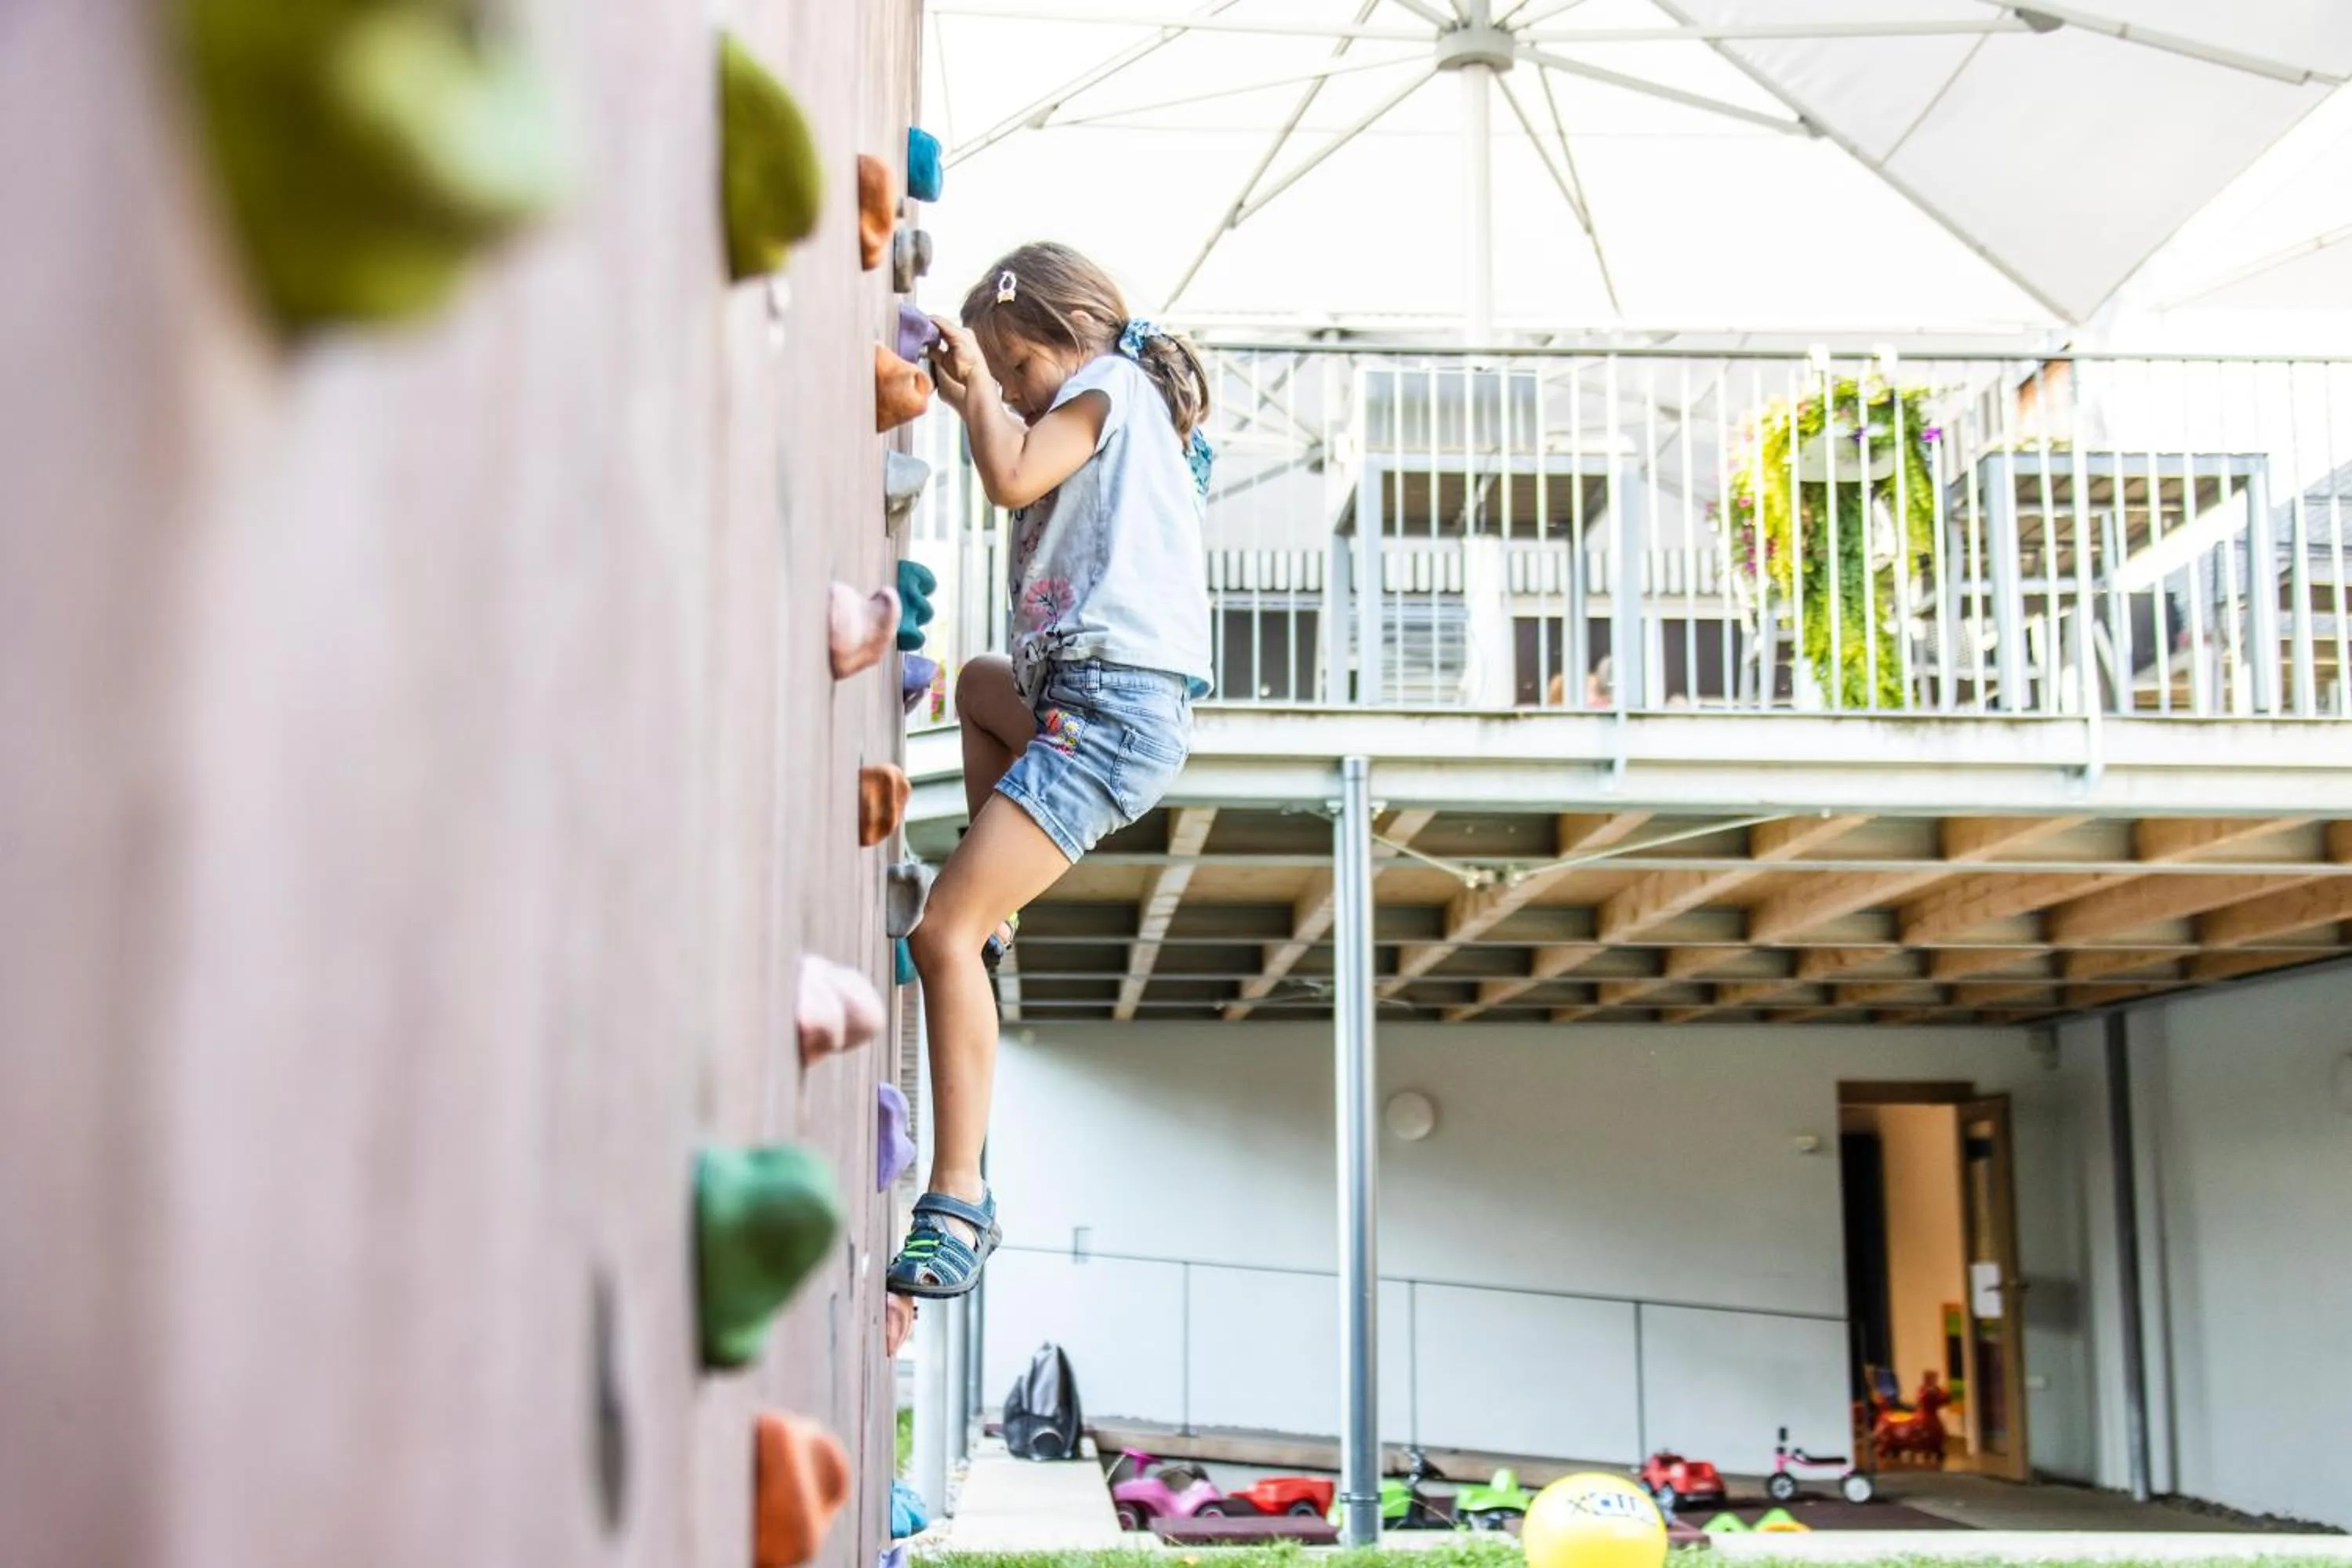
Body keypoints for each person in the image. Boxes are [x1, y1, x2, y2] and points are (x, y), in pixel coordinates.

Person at [887, 242, 1214, 1298]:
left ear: (1073, 340)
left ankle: (958, 1199)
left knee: (939, 932)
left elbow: (1009, 472)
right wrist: (974, 392)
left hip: (1111, 712)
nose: (1016, 389)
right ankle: (997, 920)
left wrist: (980, 399)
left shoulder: (1108, 386)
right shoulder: (1118, 407)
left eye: (1019, 366)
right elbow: (1020, 454)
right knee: (984, 685)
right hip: (1088, 698)